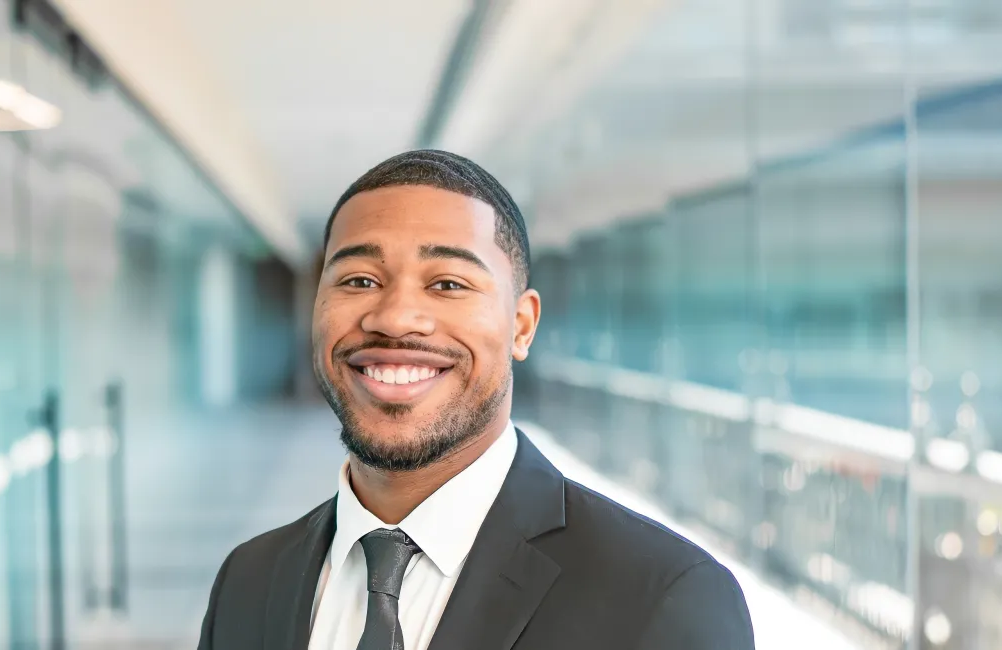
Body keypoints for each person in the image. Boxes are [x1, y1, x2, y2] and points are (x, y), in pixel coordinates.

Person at [196, 149, 754, 649]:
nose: (393, 317)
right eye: (359, 280)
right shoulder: (249, 582)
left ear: (522, 325)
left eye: (447, 284)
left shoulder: (661, 598)